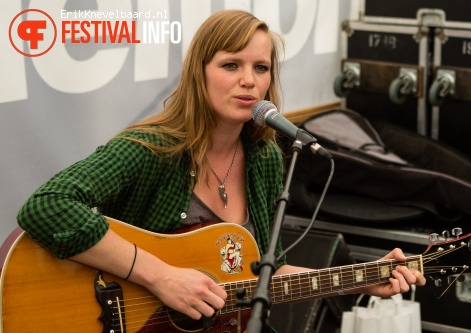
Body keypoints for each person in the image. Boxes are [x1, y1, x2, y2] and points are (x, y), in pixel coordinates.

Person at [17, 9, 425, 325]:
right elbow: (46, 206)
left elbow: (269, 269)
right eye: (231, 65)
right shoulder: (151, 148)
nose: (249, 80)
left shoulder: (264, 158)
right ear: (200, 74)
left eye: (260, 68)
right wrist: (161, 276)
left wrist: (358, 276)